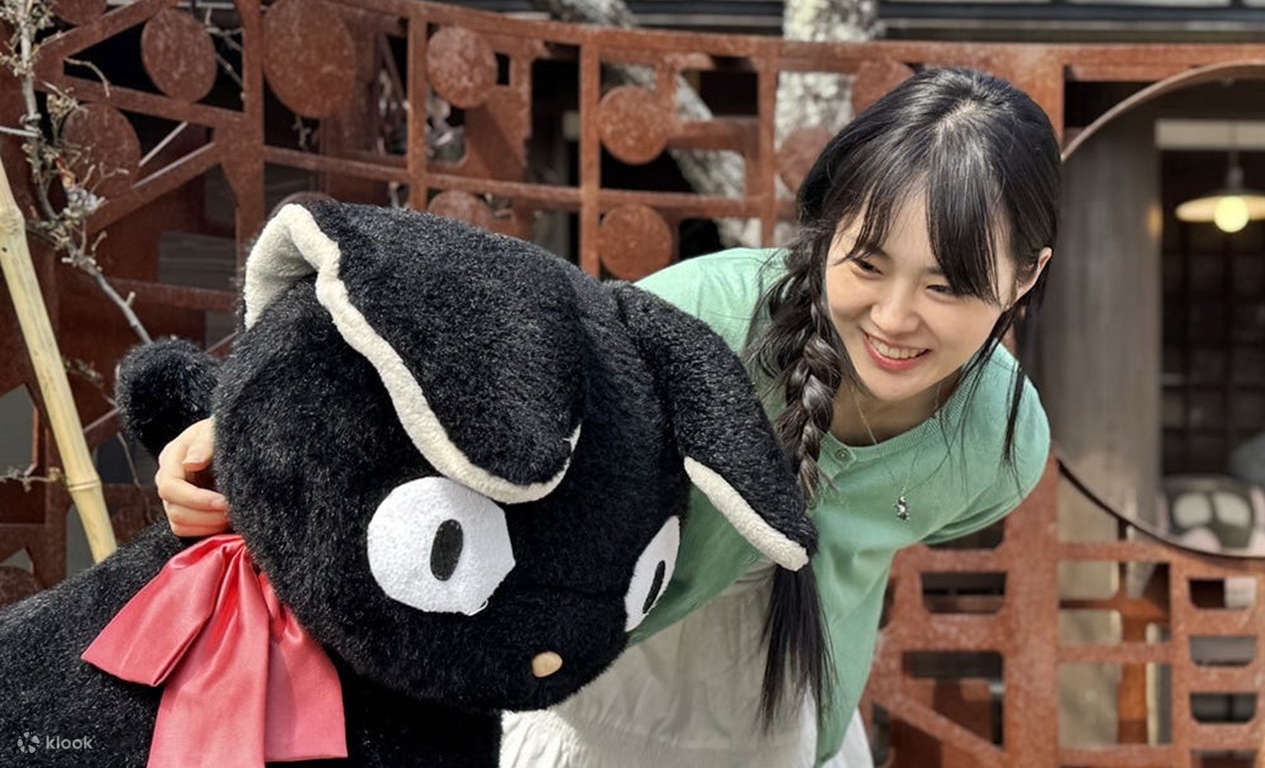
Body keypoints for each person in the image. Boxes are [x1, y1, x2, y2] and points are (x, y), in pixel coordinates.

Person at [154, 67, 1059, 768]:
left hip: (784, 711)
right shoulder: (702, 317)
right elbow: (500, 375)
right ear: (826, 231)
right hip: (597, 678)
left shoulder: (999, 446)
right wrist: (247, 436)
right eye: (865, 263)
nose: (895, 317)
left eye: (947, 285)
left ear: (1025, 275)